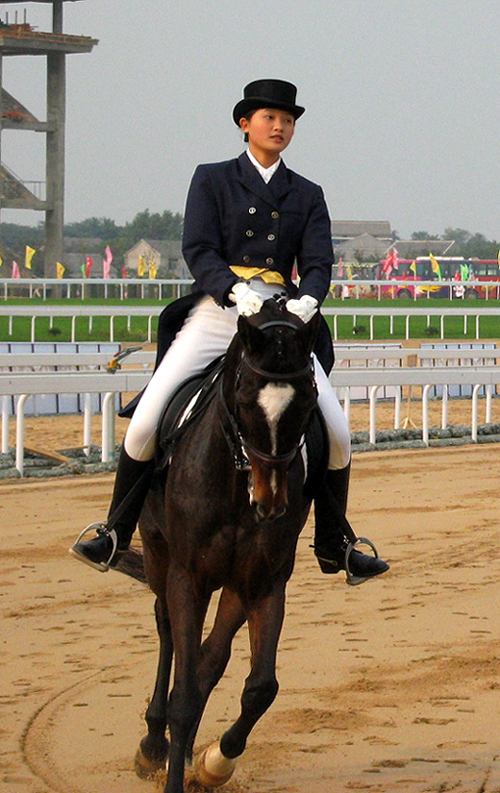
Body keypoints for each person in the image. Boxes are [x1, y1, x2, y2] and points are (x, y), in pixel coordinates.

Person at [69, 79, 389, 584]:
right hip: (221, 314)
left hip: (280, 322)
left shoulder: (307, 192)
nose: (279, 127)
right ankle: (114, 531)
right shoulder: (213, 179)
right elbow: (199, 249)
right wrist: (233, 291)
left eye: (287, 121)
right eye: (269, 118)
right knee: (147, 419)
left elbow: (320, 261)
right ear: (245, 123)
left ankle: (336, 543)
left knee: (339, 432)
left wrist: (310, 297)